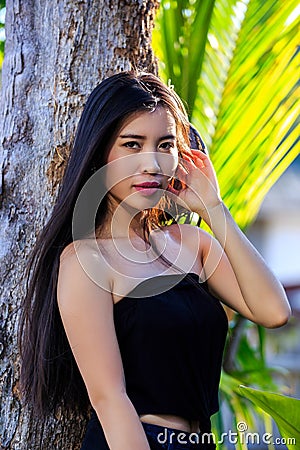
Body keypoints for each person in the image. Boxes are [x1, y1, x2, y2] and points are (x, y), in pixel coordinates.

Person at [19, 71, 291, 450]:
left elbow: (274, 311)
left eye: (165, 145)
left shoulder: (194, 245)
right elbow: (110, 400)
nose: (151, 163)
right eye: (132, 145)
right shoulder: (86, 261)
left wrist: (213, 207)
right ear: (101, 153)